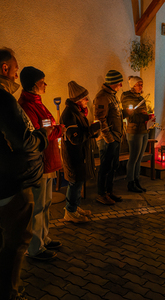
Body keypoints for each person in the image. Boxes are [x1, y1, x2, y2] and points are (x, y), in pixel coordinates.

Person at [0, 48, 50, 299]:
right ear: (4, 69)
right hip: (9, 183)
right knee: (13, 243)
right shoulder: (4, 100)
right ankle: (9, 292)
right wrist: (41, 137)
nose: (16, 76)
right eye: (15, 69)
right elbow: (25, 141)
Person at [19, 67, 65, 260]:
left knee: (45, 203)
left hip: (48, 159)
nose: (45, 85)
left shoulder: (37, 103)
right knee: (38, 205)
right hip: (40, 161)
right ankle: (35, 247)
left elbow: (47, 126)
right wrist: (58, 130)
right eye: (42, 82)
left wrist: (54, 129)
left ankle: (44, 238)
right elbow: (39, 132)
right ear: (33, 84)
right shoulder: (27, 106)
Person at [60, 81, 100, 222]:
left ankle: (75, 207)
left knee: (78, 181)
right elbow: (75, 138)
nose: (87, 100)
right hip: (73, 155)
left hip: (80, 154)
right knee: (75, 182)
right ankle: (70, 211)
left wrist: (93, 132)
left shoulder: (77, 112)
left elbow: (82, 132)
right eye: (84, 98)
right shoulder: (69, 114)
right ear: (77, 100)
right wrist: (91, 131)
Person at [94, 70, 124, 205]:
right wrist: (109, 139)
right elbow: (100, 119)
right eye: (119, 83)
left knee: (113, 166)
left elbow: (114, 115)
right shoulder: (102, 97)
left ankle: (109, 192)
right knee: (105, 167)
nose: (121, 85)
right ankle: (101, 194)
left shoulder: (112, 95)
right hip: (107, 139)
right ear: (112, 83)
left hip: (115, 137)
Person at [121, 76, 153, 192]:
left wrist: (148, 116)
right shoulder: (126, 96)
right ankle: (130, 182)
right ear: (133, 85)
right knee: (133, 157)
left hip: (144, 129)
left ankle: (137, 180)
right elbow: (130, 114)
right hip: (134, 130)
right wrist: (143, 115)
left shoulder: (141, 97)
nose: (141, 86)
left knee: (139, 158)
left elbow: (141, 111)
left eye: (142, 84)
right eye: (139, 84)